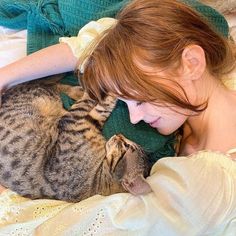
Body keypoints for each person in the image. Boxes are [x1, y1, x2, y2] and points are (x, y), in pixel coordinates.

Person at [1, 0, 236, 235]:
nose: (134, 119)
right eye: (128, 103)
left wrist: (6, 198)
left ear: (193, 63)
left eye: (141, 100)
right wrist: (5, 76)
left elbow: (85, 226)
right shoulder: (197, 118)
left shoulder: (207, 182)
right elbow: (92, 50)